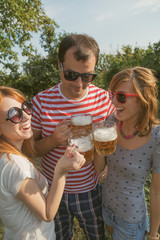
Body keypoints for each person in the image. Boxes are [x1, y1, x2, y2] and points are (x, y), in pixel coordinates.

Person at [31, 33, 115, 240]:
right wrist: (53, 141)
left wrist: (109, 164)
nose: (79, 83)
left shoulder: (104, 98)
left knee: (97, 235)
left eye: (87, 76)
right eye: (71, 75)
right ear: (59, 66)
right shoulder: (41, 101)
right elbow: (29, 149)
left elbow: (118, 137)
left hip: (91, 189)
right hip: (53, 190)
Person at [0, 86, 85, 240]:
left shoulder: (7, 158)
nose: (26, 116)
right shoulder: (14, 165)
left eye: (26, 107)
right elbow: (47, 214)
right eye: (14, 114)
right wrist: (61, 170)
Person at [94, 67, 160, 240]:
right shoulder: (111, 123)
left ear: (143, 99)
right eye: (112, 94)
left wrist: (153, 234)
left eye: (121, 97)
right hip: (107, 207)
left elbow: (156, 192)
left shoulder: (157, 136)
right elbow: (99, 169)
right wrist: (99, 143)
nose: (114, 102)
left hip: (131, 219)